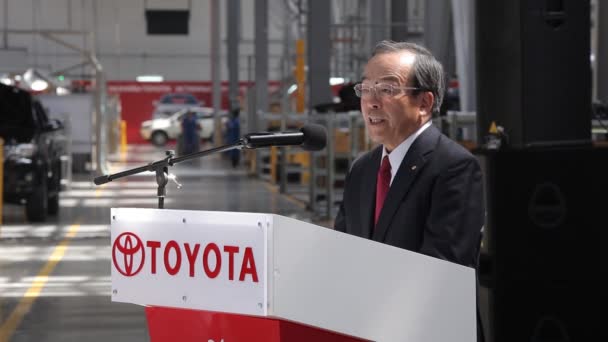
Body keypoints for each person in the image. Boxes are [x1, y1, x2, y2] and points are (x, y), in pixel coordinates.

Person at [333, 41, 485, 340]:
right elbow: (342, 253)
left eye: (387, 90)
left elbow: (440, 271)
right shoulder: (362, 170)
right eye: (365, 89)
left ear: (424, 103)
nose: (371, 102)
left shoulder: (453, 167)